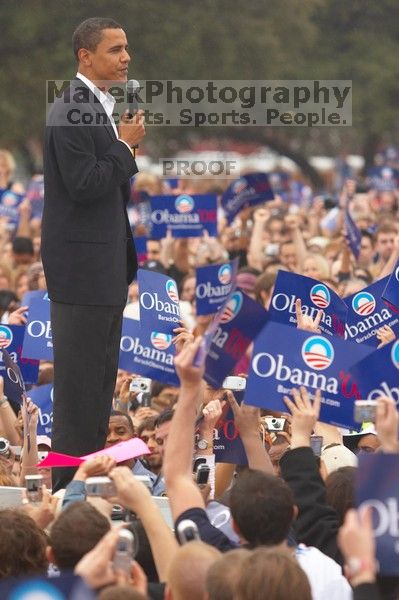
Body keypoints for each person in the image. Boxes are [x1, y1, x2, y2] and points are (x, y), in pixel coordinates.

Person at [41, 17, 145, 491]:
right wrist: (125, 146)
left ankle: (85, 492)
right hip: (81, 273)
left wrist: (122, 146)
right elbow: (84, 185)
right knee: (78, 398)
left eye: (126, 49)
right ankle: (66, 496)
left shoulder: (97, 105)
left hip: (102, 271)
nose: (125, 57)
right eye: (115, 49)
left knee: (98, 395)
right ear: (86, 57)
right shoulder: (70, 108)